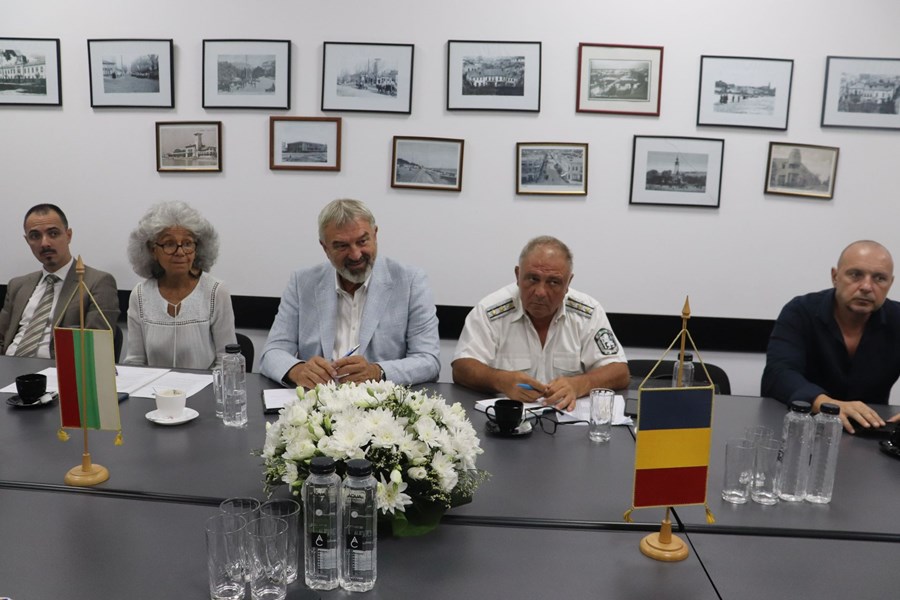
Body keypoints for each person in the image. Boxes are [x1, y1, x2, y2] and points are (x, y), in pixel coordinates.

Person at [260, 198, 440, 388]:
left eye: (362, 241)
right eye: (342, 246)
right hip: (317, 399)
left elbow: (429, 360)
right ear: (325, 247)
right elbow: (272, 352)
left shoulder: (410, 281)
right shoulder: (303, 282)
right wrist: (298, 370)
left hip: (380, 401)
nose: (355, 255)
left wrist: (377, 372)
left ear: (375, 235)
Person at [452, 236, 629, 411]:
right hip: (507, 421)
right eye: (533, 279)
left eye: (553, 282)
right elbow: (461, 368)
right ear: (517, 275)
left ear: (568, 283)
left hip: (566, 421)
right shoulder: (490, 311)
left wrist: (579, 384)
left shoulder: (588, 313)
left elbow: (619, 371)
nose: (540, 292)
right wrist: (501, 381)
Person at [761, 240, 900, 433]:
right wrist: (827, 405)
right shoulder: (800, 311)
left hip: (871, 432)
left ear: (890, 284)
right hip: (801, 429)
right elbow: (778, 373)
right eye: (855, 275)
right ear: (835, 277)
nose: (867, 286)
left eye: (879, 278)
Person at [123, 201, 236, 369]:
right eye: (169, 244)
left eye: (188, 243)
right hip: (155, 385)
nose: (180, 252)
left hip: (205, 385)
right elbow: (135, 361)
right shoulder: (140, 295)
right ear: (153, 251)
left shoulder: (215, 292)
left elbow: (227, 361)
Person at [0, 204, 119, 358]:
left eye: (53, 233)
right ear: (27, 240)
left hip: (57, 368)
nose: (44, 243)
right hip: (9, 365)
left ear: (68, 235)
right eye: (35, 236)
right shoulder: (17, 285)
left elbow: (94, 349)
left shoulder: (97, 282)